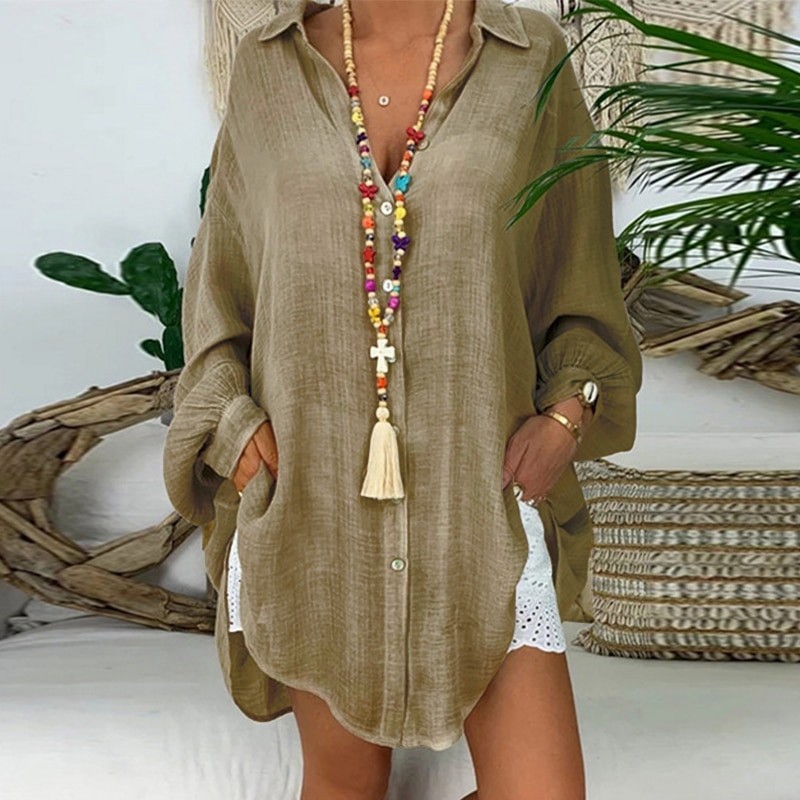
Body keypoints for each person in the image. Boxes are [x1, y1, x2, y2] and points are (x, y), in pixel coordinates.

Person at [163, 0, 643, 798]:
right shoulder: (268, 66)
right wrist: (234, 430)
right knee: (344, 786)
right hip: (314, 507)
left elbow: (579, 273)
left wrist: (567, 416)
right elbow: (221, 289)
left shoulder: (531, 57)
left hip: (477, 503)